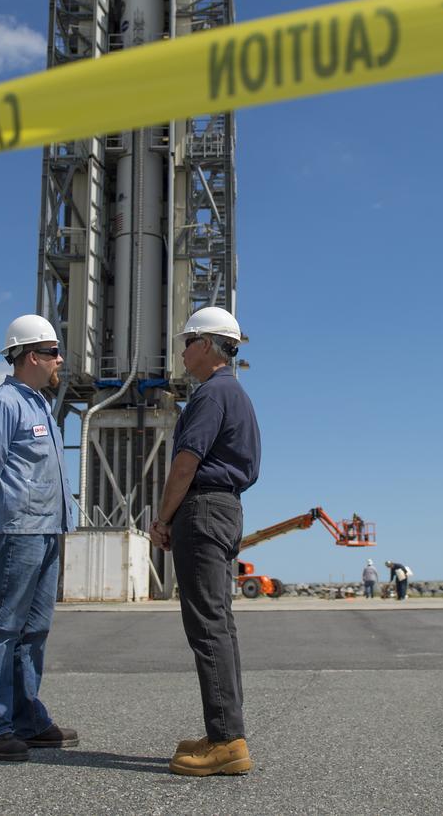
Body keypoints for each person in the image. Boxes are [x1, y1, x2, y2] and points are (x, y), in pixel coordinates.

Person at [149, 306, 260, 777]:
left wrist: (163, 518)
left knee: (207, 627)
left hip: (203, 508)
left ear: (208, 346)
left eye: (187, 341)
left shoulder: (212, 395)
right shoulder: (234, 393)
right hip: (225, 509)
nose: (181, 350)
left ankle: (226, 742)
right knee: (219, 624)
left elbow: (185, 463)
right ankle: (224, 732)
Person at [0, 314, 79, 762]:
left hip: (48, 529)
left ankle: (27, 719)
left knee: (35, 630)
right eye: (53, 353)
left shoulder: (41, 407)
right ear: (32, 355)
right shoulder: (2, 405)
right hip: (16, 531)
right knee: (0, 629)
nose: (60, 360)